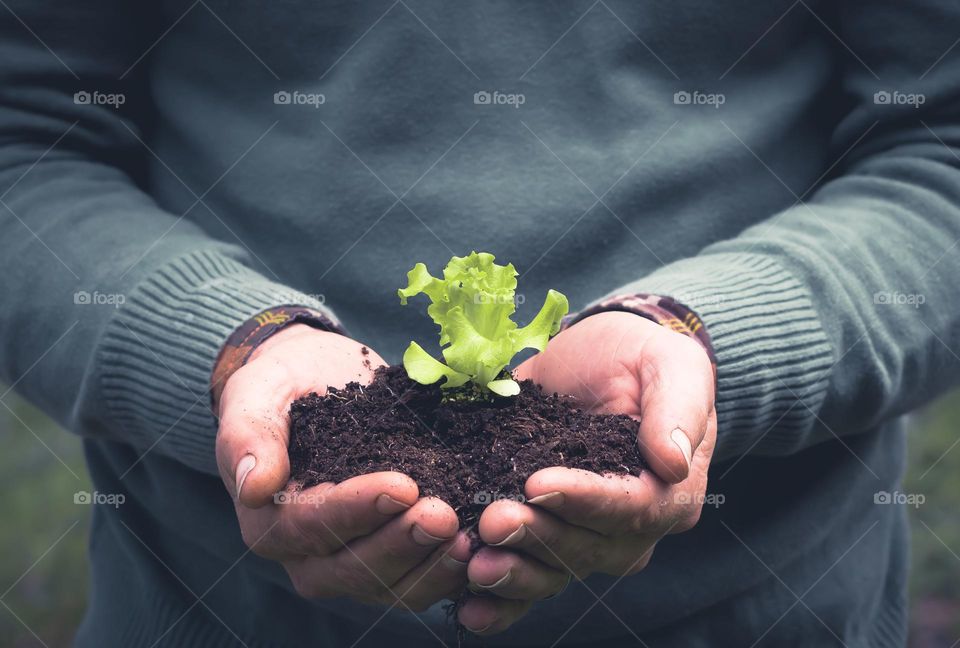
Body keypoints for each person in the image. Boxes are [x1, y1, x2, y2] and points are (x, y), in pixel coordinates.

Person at [1, 1, 958, 646]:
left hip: (765, 604)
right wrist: (233, 345)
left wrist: (709, 336)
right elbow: (26, 142)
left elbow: (940, 144)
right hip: (211, 602)